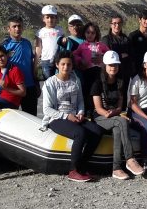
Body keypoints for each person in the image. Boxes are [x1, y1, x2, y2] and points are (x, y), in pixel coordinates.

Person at [41, 50, 102, 183]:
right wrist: (67, 117)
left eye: (68, 64)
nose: (65, 67)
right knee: (80, 133)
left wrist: (80, 113)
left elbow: (80, 100)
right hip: (57, 118)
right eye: (62, 64)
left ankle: (82, 165)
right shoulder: (50, 83)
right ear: (57, 65)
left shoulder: (75, 80)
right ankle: (73, 170)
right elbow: (47, 109)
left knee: (97, 131)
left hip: (75, 116)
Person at [90, 51, 145, 180]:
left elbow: (120, 107)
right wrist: (109, 114)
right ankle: (130, 159)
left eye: (115, 65)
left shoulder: (121, 83)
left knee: (118, 129)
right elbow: (98, 108)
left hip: (114, 116)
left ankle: (116, 168)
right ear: (104, 65)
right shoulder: (97, 83)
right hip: (100, 117)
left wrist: (115, 114)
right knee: (122, 122)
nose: (113, 67)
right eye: (110, 65)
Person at [3, 16, 39, 116]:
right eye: (14, 26)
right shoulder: (5, 46)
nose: (17, 29)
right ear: (8, 29)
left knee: (32, 118)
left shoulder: (27, 43)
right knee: (11, 118)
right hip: (13, 88)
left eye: (19, 26)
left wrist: (36, 84)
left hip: (29, 86)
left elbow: (31, 62)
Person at [73, 23, 110, 88]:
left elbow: (109, 53)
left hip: (100, 70)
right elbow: (74, 54)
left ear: (96, 34)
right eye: (88, 32)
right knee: (89, 88)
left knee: (99, 87)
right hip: (88, 71)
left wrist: (103, 56)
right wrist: (81, 60)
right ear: (84, 33)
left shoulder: (100, 45)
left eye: (93, 33)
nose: (90, 35)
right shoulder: (82, 45)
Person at [36, 5, 64, 80]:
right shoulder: (40, 32)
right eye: (47, 17)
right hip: (46, 61)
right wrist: (35, 64)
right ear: (43, 19)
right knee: (48, 81)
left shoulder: (60, 31)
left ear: (56, 18)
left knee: (59, 81)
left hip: (58, 60)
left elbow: (63, 45)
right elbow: (38, 48)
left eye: (52, 17)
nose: (50, 19)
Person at [101, 14, 134, 80]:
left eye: (119, 23)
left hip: (126, 72)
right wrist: (121, 55)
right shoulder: (106, 39)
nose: (117, 25)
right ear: (110, 25)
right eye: (114, 23)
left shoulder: (126, 39)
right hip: (112, 73)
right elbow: (108, 57)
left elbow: (132, 55)